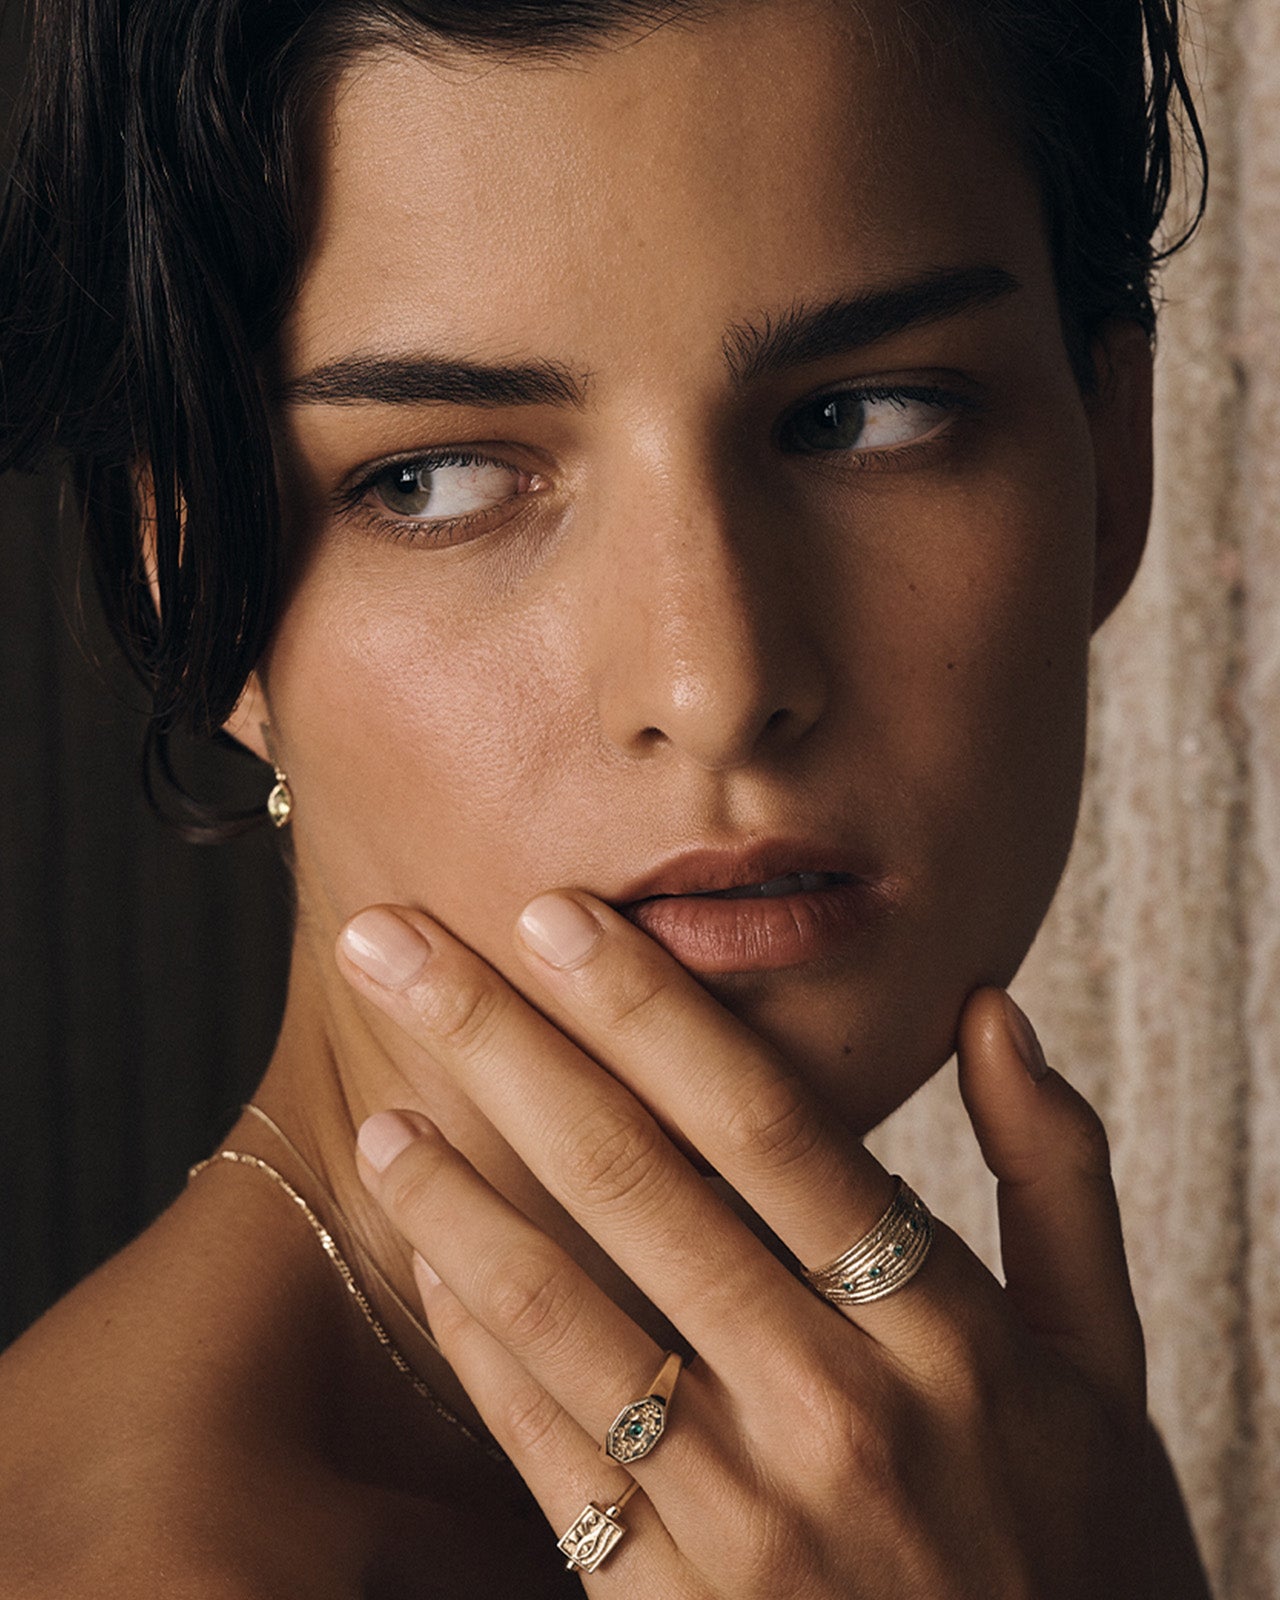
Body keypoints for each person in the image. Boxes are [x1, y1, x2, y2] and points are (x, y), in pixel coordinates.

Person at [0, 0, 1216, 1593]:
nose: (713, 682)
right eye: (437, 480)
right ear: (191, 587)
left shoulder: (984, 1491)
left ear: (1112, 465)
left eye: (863, 415)